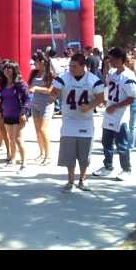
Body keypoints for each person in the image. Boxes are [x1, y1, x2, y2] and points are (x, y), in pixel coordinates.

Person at [50, 53, 104, 192]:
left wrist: (90, 105)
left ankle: (83, 179)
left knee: (84, 154)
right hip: (69, 120)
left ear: (83, 66)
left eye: (74, 66)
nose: (71, 69)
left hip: (85, 121)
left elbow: (100, 98)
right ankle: (70, 180)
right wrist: (52, 95)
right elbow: (55, 91)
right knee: (69, 153)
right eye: (70, 66)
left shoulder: (93, 80)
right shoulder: (63, 78)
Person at [92, 47, 136, 181]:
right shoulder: (113, 72)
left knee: (122, 144)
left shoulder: (129, 76)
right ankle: (108, 166)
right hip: (109, 112)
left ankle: (126, 169)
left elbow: (132, 97)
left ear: (120, 59)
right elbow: (108, 84)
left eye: (112, 58)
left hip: (120, 115)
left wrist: (116, 106)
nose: (110, 61)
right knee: (106, 141)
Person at [0, 62, 30, 170]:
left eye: (9, 68)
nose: (7, 70)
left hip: (19, 115)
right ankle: (13, 159)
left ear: (14, 70)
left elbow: (27, 98)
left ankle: (24, 162)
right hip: (7, 114)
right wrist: (1, 112)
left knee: (18, 139)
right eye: (5, 68)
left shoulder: (20, 83)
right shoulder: (3, 83)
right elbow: (2, 98)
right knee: (11, 139)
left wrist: (24, 112)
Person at [28, 52, 55, 165]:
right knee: (37, 130)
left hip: (46, 105)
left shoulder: (51, 74)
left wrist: (36, 88)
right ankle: (41, 153)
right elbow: (30, 86)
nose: (34, 63)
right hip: (35, 104)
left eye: (36, 61)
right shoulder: (34, 73)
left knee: (43, 129)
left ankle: (48, 156)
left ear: (42, 62)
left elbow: (50, 90)